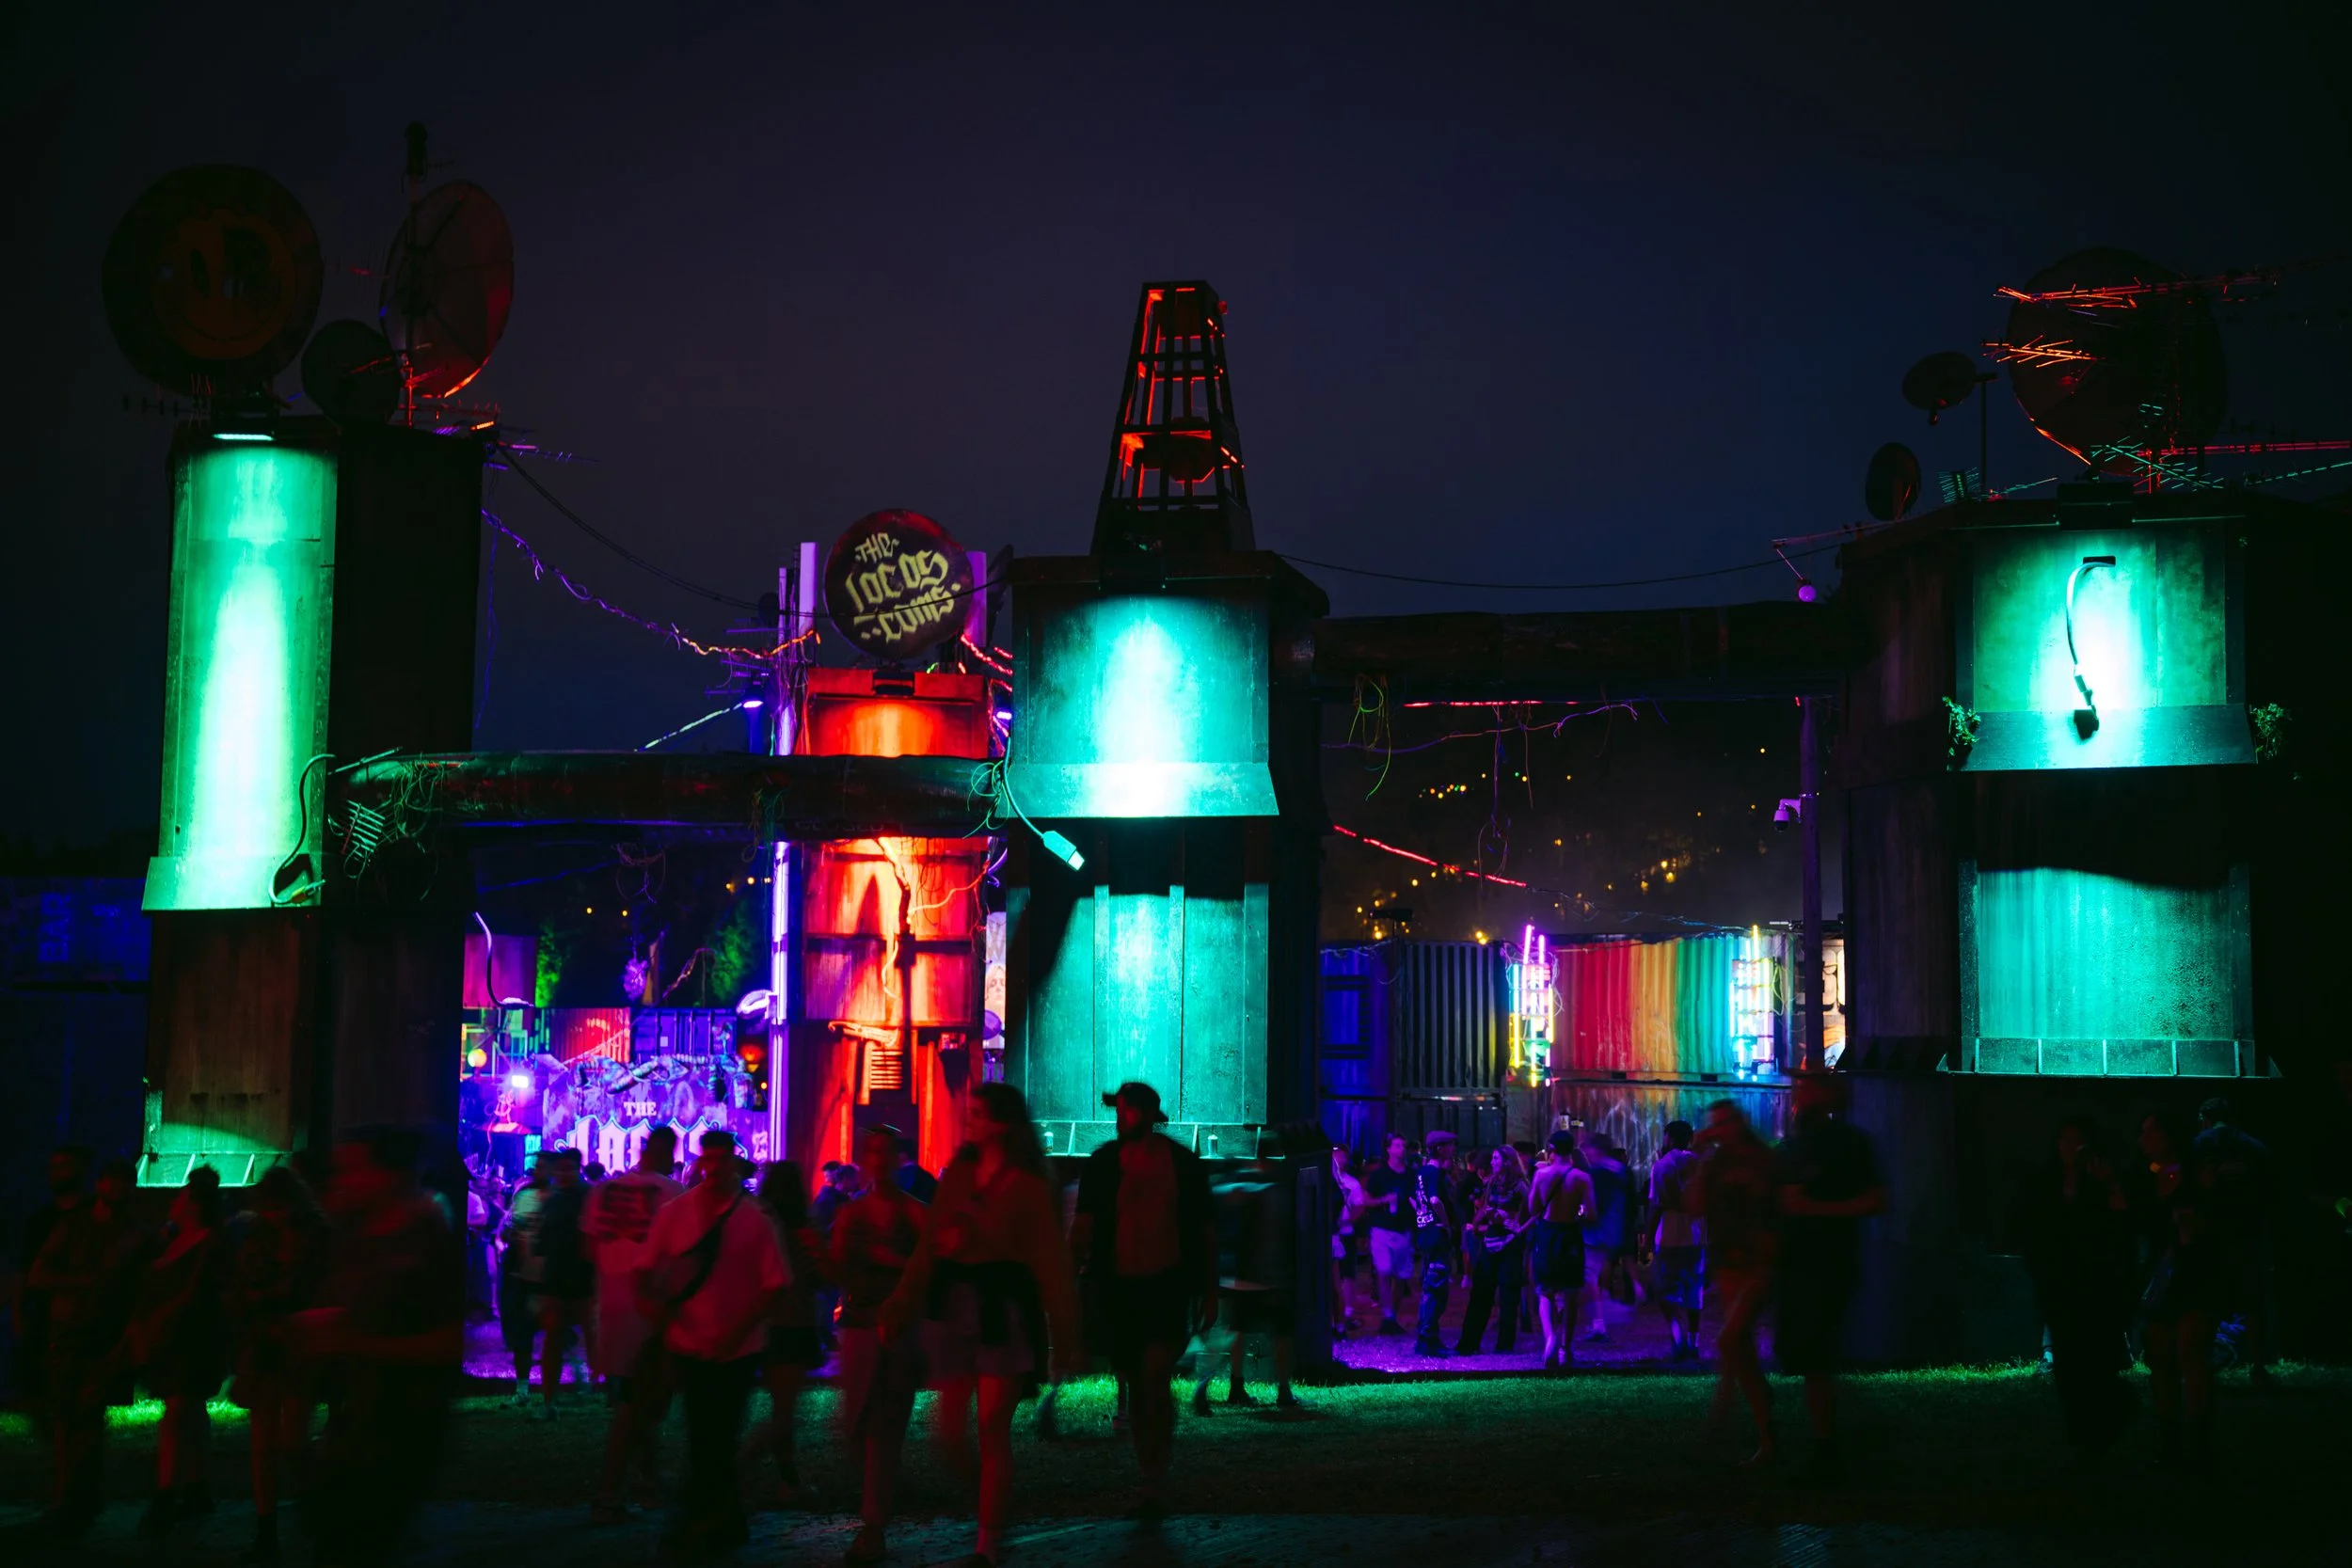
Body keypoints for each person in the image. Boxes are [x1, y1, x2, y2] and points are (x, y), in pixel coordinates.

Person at [883, 1082, 1077, 1567]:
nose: (969, 1119)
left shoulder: (1030, 1187)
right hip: (957, 1307)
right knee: (948, 1435)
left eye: (979, 1113)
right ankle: (994, 1505)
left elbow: (1051, 1264)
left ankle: (987, 1543)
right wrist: (902, 1301)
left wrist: (1066, 1338)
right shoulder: (960, 1174)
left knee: (992, 1429)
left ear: (1003, 1124)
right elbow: (929, 1243)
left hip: (1002, 1310)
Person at [300, 1126, 465, 1568]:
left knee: (363, 1540)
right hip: (359, 1418)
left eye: (353, 1170)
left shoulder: (426, 1241)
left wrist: (356, 1341)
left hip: (404, 1423)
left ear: (389, 1177)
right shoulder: (356, 1237)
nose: (341, 1180)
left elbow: (447, 1344)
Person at [639, 1130, 786, 1562]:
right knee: (710, 1436)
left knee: (713, 1436)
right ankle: (719, 1522)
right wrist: (662, 1318)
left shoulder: (753, 1219)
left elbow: (773, 1284)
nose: (716, 1167)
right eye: (710, 1159)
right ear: (701, 1162)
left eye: (724, 1160)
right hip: (690, 1343)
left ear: (734, 1163)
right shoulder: (677, 1213)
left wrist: (738, 1331)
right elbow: (646, 1270)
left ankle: (691, 1526)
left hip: (736, 1350)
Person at [1071, 1080, 1213, 1517]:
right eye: (1119, 1110)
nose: (1120, 1118)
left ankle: (1154, 1472)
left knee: (1153, 1377)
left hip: (1164, 1286)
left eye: (1129, 1110)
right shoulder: (1103, 1163)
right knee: (1138, 1381)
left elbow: (1203, 1230)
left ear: (1150, 1114)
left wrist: (1208, 1286)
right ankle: (1150, 1471)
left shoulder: (1181, 1164)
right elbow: (1084, 1226)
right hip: (1120, 1288)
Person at [1772, 1073, 1886, 1476]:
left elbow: (1875, 1200)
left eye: (1804, 1088)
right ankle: (1826, 1438)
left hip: (1823, 1262)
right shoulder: (1809, 1146)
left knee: (1816, 1354)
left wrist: (1812, 1210)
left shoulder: (1842, 1145)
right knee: (1812, 1354)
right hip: (1807, 1262)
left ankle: (1827, 1443)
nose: (1796, 1095)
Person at [831, 1125, 930, 1564]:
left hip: (894, 1331)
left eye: (884, 1151)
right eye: (870, 1151)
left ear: (895, 1157)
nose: (877, 1159)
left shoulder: (912, 1213)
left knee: (881, 1427)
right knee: (857, 1428)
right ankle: (882, 1503)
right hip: (859, 1325)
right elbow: (836, 1265)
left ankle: (874, 1524)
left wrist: (892, 1263)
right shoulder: (853, 1213)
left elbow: (931, 1265)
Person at [28, 1154, 141, 1535]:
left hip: (100, 1339)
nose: (118, 1191)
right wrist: (83, 1285)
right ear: (100, 1186)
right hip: (69, 1337)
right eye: (113, 1183)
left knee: (87, 1422)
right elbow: (39, 1274)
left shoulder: (130, 1234)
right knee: (67, 1422)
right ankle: (68, 1500)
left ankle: (79, 1500)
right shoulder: (74, 1226)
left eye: (125, 1184)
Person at [228, 1164, 330, 1562]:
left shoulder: (309, 1237)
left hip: (294, 1346)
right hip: (271, 1346)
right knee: (267, 1444)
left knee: (288, 1442)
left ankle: (303, 1516)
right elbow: (241, 1287)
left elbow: (315, 1288)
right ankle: (270, 1527)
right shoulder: (263, 1236)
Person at [584, 1126, 683, 1524]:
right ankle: (609, 1493)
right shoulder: (673, 1194)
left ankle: (648, 1479)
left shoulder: (602, 1191)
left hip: (612, 1306)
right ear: (669, 1152)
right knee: (638, 1404)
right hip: (651, 1308)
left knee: (633, 1399)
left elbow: (587, 1247)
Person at [2018, 1113, 2133, 1452]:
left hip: (2094, 1286)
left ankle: (2094, 1434)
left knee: (2093, 1364)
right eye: (2064, 1139)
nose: (2070, 1147)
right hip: (2061, 1285)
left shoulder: (2097, 1180)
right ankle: (2082, 1436)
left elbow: (2121, 1222)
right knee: (2069, 1367)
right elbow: (2034, 1228)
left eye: (2076, 1140)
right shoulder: (2047, 1182)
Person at [127, 1165, 230, 1533]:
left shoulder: (206, 1242)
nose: (175, 1200)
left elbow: (194, 1294)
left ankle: (167, 1490)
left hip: (191, 1341)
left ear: (193, 1204)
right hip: (175, 1340)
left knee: (177, 1411)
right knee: (188, 1411)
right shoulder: (178, 1240)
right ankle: (195, 1486)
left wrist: (156, 1319)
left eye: (182, 1195)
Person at [1692, 1100, 1777, 1464]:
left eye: (1725, 1123)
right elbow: (1693, 1205)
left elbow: (1774, 1208)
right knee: (1741, 1352)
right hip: (1729, 1260)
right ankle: (1766, 1438)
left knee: (1731, 1339)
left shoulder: (1763, 1159)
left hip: (1759, 1261)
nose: (1720, 1130)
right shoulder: (1716, 1163)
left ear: (1739, 1123)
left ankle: (1720, 1416)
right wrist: (1699, 1157)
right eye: (1715, 1124)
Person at [1193, 1139, 1302, 1412]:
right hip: (1263, 1276)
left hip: (1236, 1275)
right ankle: (1284, 1392)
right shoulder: (1269, 1190)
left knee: (1233, 1331)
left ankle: (1219, 1385)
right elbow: (1276, 1237)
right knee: (1282, 1333)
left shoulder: (1232, 1185)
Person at [2139, 1109, 2222, 1467]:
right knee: (2163, 1359)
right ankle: (2173, 1440)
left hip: (2193, 1275)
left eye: (2150, 1132)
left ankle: (2197, 1441)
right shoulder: (2148, 1176)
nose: (2142, 1140)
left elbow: (2214, 1222)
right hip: (2162, 1278)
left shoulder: (2195, 1175)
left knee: (2191, 1355)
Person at [16, 1146, 90, 1526]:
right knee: (44, 1406)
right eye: (54, 1166)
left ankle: (70, 1494)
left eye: (66, 1165)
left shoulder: (89, 1220)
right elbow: (25, 1271)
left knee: (69, 1413)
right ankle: (69, 1487)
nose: (58, 1173)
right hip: (44, 1323)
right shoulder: (42, 1220)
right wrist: (18, 1312)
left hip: (74, 1327)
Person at [755, 1160, 827, 1506]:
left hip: (760, 1322)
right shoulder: (801, 1229)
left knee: (779, 1408)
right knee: (783, 1411)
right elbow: (819, 1274)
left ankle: (785, 1477)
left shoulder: (760, 1223)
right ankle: (750, 1474)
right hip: (793, 1322)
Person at [2191, 1096, 2273, 1386]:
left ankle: (2202, 1361)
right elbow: (2269, 1192)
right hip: (2248, 1233)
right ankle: (2259, 1366)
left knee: (2206, 1301)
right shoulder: (2254, 1147)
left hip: (2209, 1235)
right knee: (2253, 1302)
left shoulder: (2200, 1144)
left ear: (2205, 1118)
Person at [531, 1148, 593, 1417]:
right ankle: (549, 1401)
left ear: (579, 1169)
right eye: (561, 1169)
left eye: (569, 1169)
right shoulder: (552, 1202)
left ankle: (613, 1393)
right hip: (556, 1279)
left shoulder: (591, 1197)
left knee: (596, 1339)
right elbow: (542, 1244)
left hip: (586, 1279)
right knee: (552, 1340)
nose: (564, 1174)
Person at [1526, 1130, 1595, 1370]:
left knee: (1545, 1291)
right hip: (1571, 1235)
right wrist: (1577, 1212)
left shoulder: (1541, 1175)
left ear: (1552, 1150)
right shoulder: (1582, 1177)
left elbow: (1533, 1206)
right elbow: (1591, 1213)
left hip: (1548, 1233)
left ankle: (1550, 1339)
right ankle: (1566, 1347)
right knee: (1570, 1293)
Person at [1455, 1145, 1530, 1355]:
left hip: (1510, 1244)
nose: (1492, 1162)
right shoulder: (1492, 1183)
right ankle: (1469, 1342)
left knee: (1508, 1295)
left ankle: (1505, 1344)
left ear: (1507, 1162)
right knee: (1481, 1293)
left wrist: (1516, 1225)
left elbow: (1533, 1210)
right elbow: (1484, 1207)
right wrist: (1477, 1224)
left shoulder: (1521, 1186)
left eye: (1496, 1159)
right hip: (1491, 1242)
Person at [1649, 1120, 1706, 1363]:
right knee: (1694, 1288)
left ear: (1669, 1138)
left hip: (1669, 1232)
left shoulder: (1661, 1166)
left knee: (1666, 1290)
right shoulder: (1699, 1164)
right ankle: (1694, 1341)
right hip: (1696, 1232)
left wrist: (1647, 1239)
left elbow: (1655, 1205)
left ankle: (1677, 1335)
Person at [498, 1155, 549, 1404]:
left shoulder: (558, 1198)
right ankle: (522, 1388)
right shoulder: (523, 1193)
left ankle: (557, 1392)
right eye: (536, 1166)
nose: (536, 1170)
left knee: (554, 1329)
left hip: (547, 1275)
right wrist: (511, 1234)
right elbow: (507, 1228)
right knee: (521, 1332)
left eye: (542, 1167)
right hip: (519, 1273)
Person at [1407, 1131, 1460, 1357]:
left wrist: (1422, 1217)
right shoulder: (1436, 1173)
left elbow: (1412, 1199)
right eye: (1449, 1145)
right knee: (1436, 1290)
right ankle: (1428, 1340)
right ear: (1440, 1148)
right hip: (1438, 1236)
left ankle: (1427, 1336)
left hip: (1425, 1234)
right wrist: (1446, 1224)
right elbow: (1435, 1200)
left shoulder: (1421, 1172)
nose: (1453, 1149)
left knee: (1430, 1288)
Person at [1360, 1134, 1416, 1334]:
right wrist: (1384, 1200)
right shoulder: (1380, 1175)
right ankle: (1387, 1316)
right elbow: (1366, 1201)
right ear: (1388, 1149)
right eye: (1398, 1145)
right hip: (1382, 1229)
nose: (1402, 1149)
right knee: (1384, 1271)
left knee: (1401, 1276)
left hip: (1403, 1229)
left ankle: (1393, 1317)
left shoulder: (1411, 1175)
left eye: (1404, 1145)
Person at [1581, 1132, 1630, 1341]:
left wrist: (1581, 1214)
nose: (1585, 1154)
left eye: (1588, 1150)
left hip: (1597, 1231)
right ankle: (1600, 1317)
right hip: (1613, 1229)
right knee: (1597, 1274)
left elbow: (1594, 1204)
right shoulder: (1620, 1170)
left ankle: (1599, 1321)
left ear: (1597, 1149)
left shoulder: (1599, 1173)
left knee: (1588, 1275)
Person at [1327, 1143, 1368, 1337]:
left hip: (1333, 1235)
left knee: (1338, 1280)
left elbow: (1355, 1208)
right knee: (1334, 1282)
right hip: (1330, 1234)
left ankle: (1341, 1323)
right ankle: (1338, 1324)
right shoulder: (1335, 1184)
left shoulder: (1339, 1185)